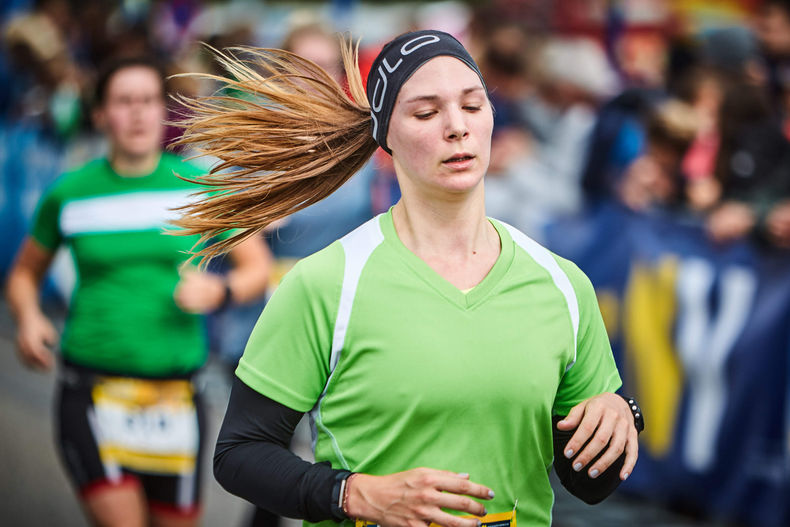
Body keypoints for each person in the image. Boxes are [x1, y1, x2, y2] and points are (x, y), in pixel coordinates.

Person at [171, 30, 643, 527]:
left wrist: (619, 417)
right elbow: (240, 453)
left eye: (473, 105)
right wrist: (353, 494)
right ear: (385, 136)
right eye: (426, 113)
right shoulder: (329, 283)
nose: (457, 127)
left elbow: (588, 483)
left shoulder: (562, 284)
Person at [4, 56, 271, 527]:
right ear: (100, 114)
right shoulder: (69, 193)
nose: (139, 113)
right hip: (92, 388)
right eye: (124, 102)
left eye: (149, 101)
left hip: (175, 395)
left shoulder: (198, 188)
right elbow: (24, 274)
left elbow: (257, 270)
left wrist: (218, 290)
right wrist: (28, 317)